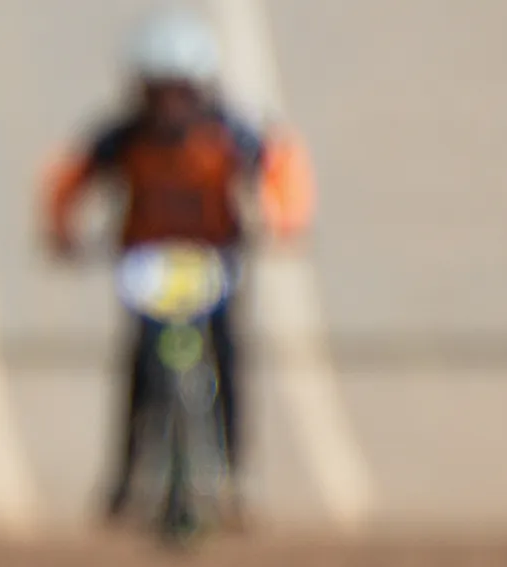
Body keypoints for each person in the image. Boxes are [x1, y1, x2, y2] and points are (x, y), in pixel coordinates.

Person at [42, 8, 313, 524]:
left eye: (180, 91)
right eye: (159, 91)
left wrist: (284, 219)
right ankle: (125, 476)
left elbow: (283, 167)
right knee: (140, 360)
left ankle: (235, 474)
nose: (170, 105)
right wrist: (62, 232)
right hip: (147, 264)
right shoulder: (124, 138)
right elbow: (67, 177)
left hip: (213, 260)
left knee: (228, 355)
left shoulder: (229, 133)